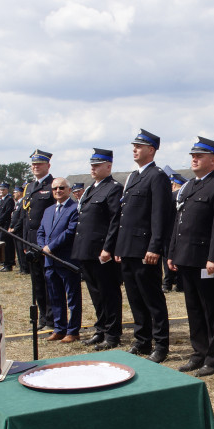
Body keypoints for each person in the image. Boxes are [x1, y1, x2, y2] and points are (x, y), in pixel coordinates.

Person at [168, 137, 214, 376]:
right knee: (194, 309)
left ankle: (213, 358)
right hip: (186, 257)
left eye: (199, 156)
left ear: (213, 159)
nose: (194, 159)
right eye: (192, 156)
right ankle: (199, 353)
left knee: (212, 310)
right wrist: (172, 251)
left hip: (207, 260)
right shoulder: (189, 186)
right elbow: (179, 221)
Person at [115, 129, 173, 363]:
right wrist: (120, 247)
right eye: (134, 146)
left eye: (139, 146)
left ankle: (160, 344)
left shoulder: (156, 176)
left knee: (152, 298)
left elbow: (160, 215)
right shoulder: (133, 176)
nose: (134, 149)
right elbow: (125, 216)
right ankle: (142, 339)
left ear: (151, 150)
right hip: (128, 247)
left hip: (144, 249)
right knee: (135, 297)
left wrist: (155, 246)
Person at [70, 149, 124, 350]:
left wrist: (108, 248)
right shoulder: (90, 189)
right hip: (86, 250)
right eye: (91, 165)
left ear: (108, 166)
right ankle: (100, 329)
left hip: (101, 251)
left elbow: (114, 221)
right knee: (95, 293)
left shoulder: (113, 188)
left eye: (97, 165)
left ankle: (112, 334)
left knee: (109, 292)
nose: (93, 168)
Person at [36, 177, 80, 343]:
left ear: (69, 190)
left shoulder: (74, 208)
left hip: (66, 260)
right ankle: (59, 328)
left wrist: (51, 247)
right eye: (55, 189)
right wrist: (42, 247)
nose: (58, 191)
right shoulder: (48, 211)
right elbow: (41, 231)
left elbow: (70, 232)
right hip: (49, 261)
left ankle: (73, 330)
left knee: (72, 298)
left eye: (62, 188)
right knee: (55, 297)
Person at [22, 150, 56, 330]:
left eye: (40, 164)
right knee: (36, 282)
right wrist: (24, 242)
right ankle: (42, 318)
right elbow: (25, 218)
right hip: (31, 241)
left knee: (48, 281)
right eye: (34, 164)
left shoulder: (54, 186)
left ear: (48, 166)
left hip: (47, 242)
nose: (36, 167)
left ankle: (51, 319)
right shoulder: (29, 187)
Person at [0, 182, 16, 272]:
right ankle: (5, 262)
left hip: (5, 225)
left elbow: (7, 213)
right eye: (0, 190)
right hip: (0, 225)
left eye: (3, 190)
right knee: (3, 245)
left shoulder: (9, 200)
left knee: (7, 245)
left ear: (7, 190)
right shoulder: (0, 200)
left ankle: (8, 264)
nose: (1, 191)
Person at [9, 185, 30, 275]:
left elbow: (21, 218)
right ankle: (21, 267)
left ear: (20, 193)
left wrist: (15, 228)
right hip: (15, 231)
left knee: (22, 249)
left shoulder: (23, 204)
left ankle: (25, 268)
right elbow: (14, 217)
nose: (13, 194)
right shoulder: (17, 203)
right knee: (18, 250)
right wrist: (10, 227)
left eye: (15, 192)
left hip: (20, 230)